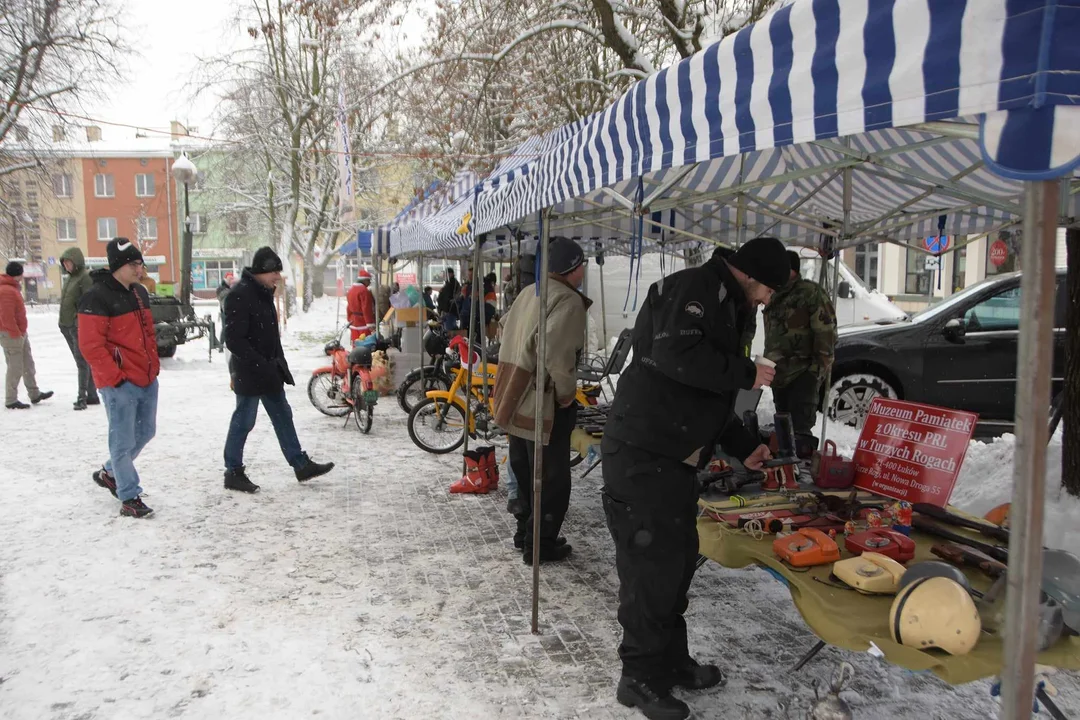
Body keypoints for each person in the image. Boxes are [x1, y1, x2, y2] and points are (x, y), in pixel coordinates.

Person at [600, 237, 790, 719]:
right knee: (649, 572)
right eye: (768, 288)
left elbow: (705, 394)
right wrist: (746, 372)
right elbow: (676, 359)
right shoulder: (696, 290)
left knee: (678, 564)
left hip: (675, 459)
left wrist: (746, 446)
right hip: (644, 455)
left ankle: (670, 660)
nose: (768, 300)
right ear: (748, 273)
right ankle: (638, 678)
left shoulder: (727, 304)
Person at [492, 237, 590, 565]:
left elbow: (504, 327)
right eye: (581, 266)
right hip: (541, 401)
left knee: (523, 470)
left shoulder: (528, 291)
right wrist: (565, 395)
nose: (583, 271)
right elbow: (557, 355)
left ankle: (525, 534)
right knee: (550, 480)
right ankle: (541, 544)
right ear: (572, 268)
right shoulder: (566, 300)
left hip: (513, 396)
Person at [222, 246, 334, 493]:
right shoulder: (239, 295)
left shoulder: (264, 293)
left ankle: (300, 464)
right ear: (261, 271)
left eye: (278, 272)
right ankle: (233, 471)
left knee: (283, 415)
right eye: (274, 272)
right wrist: (260, 363)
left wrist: (279, 364)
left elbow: (270, 335)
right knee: (244, 420)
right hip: (249, 371)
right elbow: (234, 340)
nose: (277, 277)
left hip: (270, 370)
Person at [77, 239, 158, 517]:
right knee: (122, 441)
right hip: (119, 383)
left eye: (140, 263)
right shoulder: (95, 297)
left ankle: (111, 472)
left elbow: (148, 334)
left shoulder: (139, 293)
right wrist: (116, 378)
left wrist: (153, 366)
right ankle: (129, 495)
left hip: (146, 377)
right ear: (119, 266)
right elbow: (90, 346)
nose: (140, 269)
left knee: (146, 431)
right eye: (135, 264)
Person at [764, 251, 838, 458]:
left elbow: (827, 333)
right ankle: (784, 470)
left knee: (800, 433)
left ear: (792, 270)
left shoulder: (810, 293)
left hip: (802, 372)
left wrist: (817, 369)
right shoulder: (773, 293)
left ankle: (799, 474)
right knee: (783, 429)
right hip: (779, 373)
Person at [0, 261, 52, 410]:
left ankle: (34, 393)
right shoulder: (6, 291)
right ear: (18, 275)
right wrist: (16, 334)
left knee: (28, 364)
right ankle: (11, 399)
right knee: (15, 367)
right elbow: (6, 316)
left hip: (19, 333)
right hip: (11, 334)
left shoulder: (11, 288)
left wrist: (21, 333)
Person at [58, 248, 98, 410]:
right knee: (81, 361)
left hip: (78, 326)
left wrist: (78, 320)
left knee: (82, 362)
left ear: (76, 261)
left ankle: (82, 396)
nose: (66, 266)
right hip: (66, 325)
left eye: (68, 262)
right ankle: (92, 394)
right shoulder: (69, 279)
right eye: (64, 263)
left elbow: (88, 302)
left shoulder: (85, 277)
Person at [346, 269, 376, 343]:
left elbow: (348, 307)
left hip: (353, 321)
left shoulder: (351, 290)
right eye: (369, 281)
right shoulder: (364, 291)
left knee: (355, 343)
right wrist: (370, 324)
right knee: (365, 343)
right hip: (362, 322)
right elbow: (366, 308)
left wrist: (349, 319)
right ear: (364, 280)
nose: (369, 283)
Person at [215, 272, 236, 351]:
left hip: (230, 311)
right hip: (225, 312)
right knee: (225, 329)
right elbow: (223, 299)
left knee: (229, 329)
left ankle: (227, 345)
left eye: (232, 278)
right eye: (230, 278)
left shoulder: (230, 288)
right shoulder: (222, 288)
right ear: (226, 279)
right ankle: (221, 346)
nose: (231, 280)